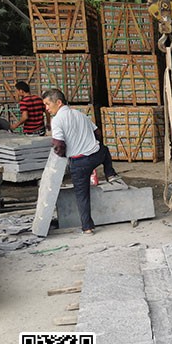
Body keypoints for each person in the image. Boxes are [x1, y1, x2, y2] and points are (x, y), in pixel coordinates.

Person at [42, 88, 126, 235]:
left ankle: (87, 227)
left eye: (48, 104)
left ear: (59, 102)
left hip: (78, 163)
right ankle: (110, 173)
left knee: (82, 195)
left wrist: (62, 159)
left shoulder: (57, 120)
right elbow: (97, 133)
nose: (47, 109)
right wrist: (92, 144)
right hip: (95, 156)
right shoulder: (80, 114)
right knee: (105, 150)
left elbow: (58, 145)